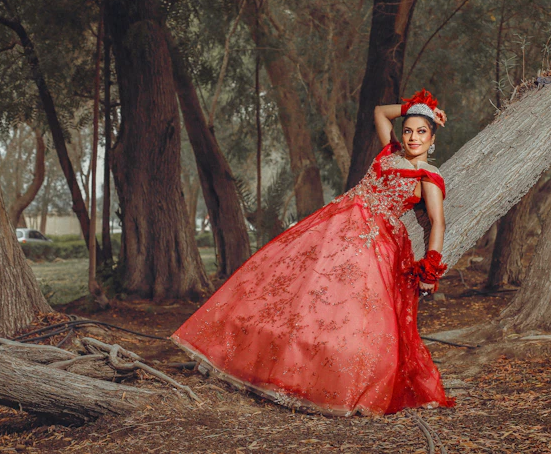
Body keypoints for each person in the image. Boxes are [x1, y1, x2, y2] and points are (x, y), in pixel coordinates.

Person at [171, 89, 455, 416]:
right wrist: (420, 107)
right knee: (297, 287)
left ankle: (338, 385)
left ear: (433, 136)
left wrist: (430, 268)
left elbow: (438, 223)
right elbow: (379, 111)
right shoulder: (389, 151)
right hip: (335, 224)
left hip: (373, 240)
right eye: (408, 129)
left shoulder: (428, 175)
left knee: (350, 309)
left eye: (422, 131)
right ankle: (262, 358)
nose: (413, 136)